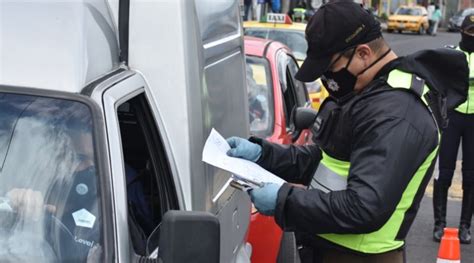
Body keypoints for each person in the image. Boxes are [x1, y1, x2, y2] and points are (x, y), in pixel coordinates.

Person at [226, 1, 468, 262]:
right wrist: (263, 154)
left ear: (364, 53)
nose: (328, 78)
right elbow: (324, 161)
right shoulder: (366, 93)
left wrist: (283, 200)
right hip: (329, 251)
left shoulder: (397, 112)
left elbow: (364, 207)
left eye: (331, 68)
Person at [433, 15, 474, 245]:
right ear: (462, 32)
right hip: (452, 118)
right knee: (444, 171)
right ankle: (439, 223)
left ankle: (465, 226)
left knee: (471, 175)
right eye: (470, 32)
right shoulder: (450, 55)